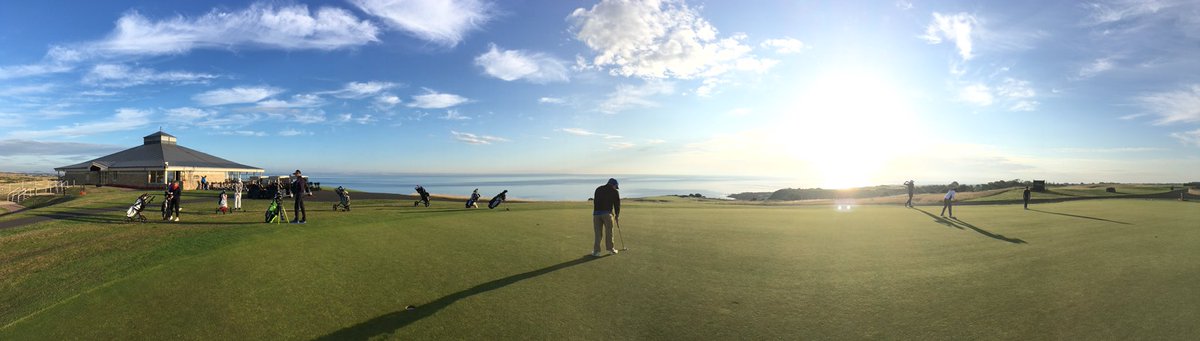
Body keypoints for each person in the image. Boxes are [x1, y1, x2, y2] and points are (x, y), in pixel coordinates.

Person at [592, 178, 621, 257]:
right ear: (613, 185)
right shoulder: (615, 192)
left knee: (598, 234)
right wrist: (617, 215)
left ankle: (596, 252)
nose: (616, 188)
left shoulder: (598, 189)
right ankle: (611, 249)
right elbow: (617, 205)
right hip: (607, 214)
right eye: (616, 186)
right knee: (609, 232)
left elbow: (596, 202)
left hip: (596, 214)